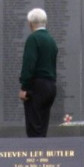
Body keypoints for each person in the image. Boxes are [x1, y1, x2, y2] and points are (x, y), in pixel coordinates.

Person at [18, 8, 58, 138]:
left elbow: (29, 64)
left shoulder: (33, 38)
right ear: (45, 22)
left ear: (30, 23)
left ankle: (35, 158)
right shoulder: (51, 40)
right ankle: (44, 156)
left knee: (33, 127)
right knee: (42, 127)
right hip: (50, 86)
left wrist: (24, 87)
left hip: (37, 86)